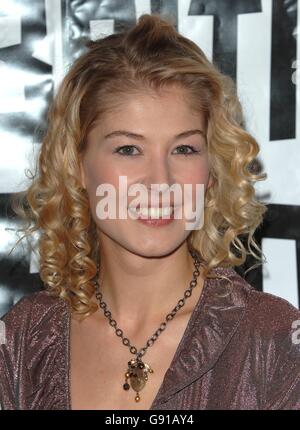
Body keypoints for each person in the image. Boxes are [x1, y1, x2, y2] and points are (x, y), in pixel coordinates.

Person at [1, 13, 300, 410]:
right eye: (129, 149)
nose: (161, 181)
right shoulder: (22, 342)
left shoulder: (274, 342)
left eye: (184, 149)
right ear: (76, 166)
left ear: (212, 171)